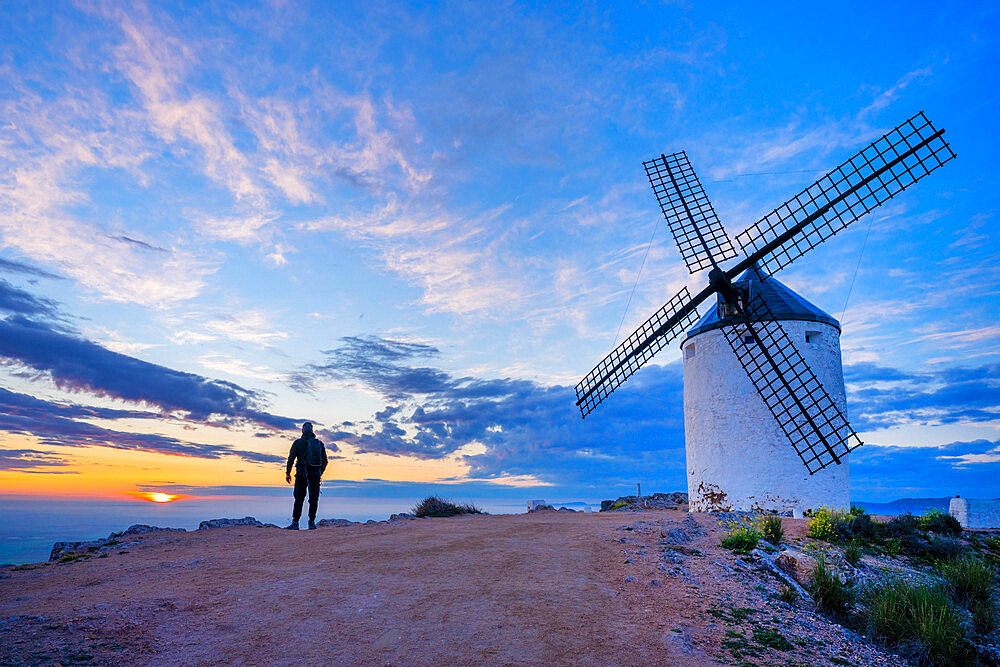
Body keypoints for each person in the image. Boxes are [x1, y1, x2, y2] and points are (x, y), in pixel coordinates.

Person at [284, 422, 328, 530]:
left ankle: (295, 523)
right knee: (313, 499)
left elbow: (291, 459)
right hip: (315, 476)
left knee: (299, 499)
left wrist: (288, 473)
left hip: (301, 475)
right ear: (312, 431)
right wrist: (319, 472)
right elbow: (325, 461)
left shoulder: (297, 443)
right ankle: (311, 523)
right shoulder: (319, 444)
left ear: (302, 431)